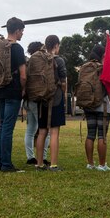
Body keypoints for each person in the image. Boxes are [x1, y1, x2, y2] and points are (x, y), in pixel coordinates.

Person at [0, 17, 26, 173]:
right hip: (12, 91)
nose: (22, 34)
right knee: (7, 128)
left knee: (2, 127)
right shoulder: (17, 48)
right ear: (17, 30)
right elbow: (23, 75)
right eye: (22, 31)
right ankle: (6, 164)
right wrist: (23, 89)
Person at [83, 44, 110, 171]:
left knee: (90, 134)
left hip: (88, 106)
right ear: (102, 55)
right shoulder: (103, 69)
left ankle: (90, 164)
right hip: (102, 107)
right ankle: (102, 165)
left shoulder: (85, 67)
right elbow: (109, 92)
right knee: (102, 135)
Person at [34, 35, 67, 172]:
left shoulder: (38, 59)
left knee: (41, 132)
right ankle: (53, 164)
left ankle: (39, 164)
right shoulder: (59, 60)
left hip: (41, 99)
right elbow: (63, 81)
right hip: (56, 99)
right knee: (54, 132)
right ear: (55, 45)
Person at [24, 41, 49, 166]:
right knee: (45, 130)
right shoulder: (41, 63)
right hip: (38, 100)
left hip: (27, 100)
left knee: (30, 130)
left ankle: (30, 157)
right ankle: (43, 157)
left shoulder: (27, 63)